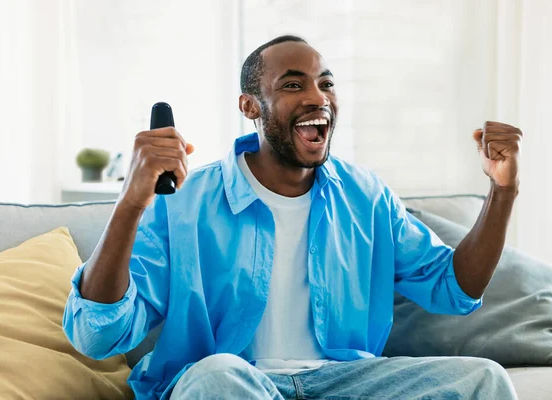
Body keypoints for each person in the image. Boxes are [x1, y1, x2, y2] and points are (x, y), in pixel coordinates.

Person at [63, 35, 522, 399]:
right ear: (250, 107)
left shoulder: (367, 196)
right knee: (219, 375)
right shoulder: (186, 201)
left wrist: (503, 191)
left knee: (484, 379)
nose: (316, 96)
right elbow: (97, 334)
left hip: (346, 382)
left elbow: (455, 288)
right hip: (232, 385)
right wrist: (131, 204)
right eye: (292, 84)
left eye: (325, 83)